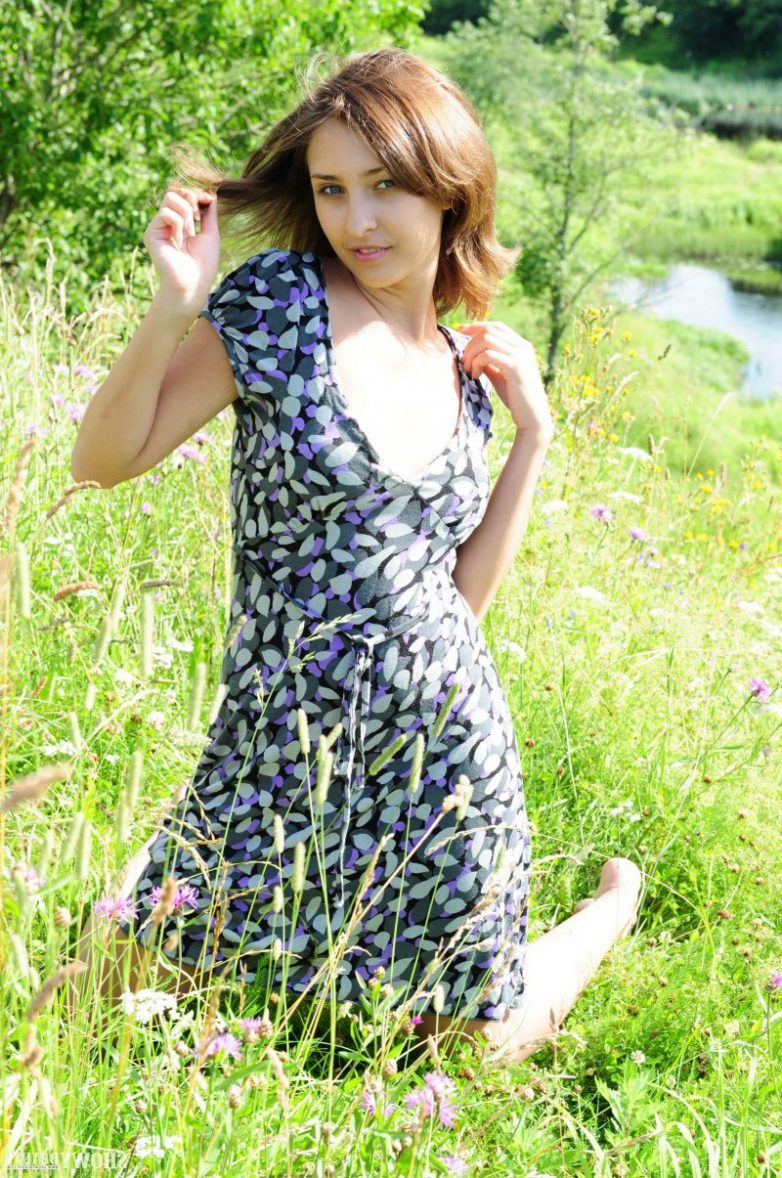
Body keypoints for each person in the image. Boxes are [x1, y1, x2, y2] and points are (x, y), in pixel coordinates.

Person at [70, 47, 642, 1067]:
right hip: (276, 748)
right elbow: (103, 461)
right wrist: (172, 306)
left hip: (437, 759)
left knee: (469, 1051)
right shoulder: (278, 307)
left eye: (385, 186)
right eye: (331, 189)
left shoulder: (463, 374)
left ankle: (610, 908)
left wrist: (533, 438)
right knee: (101, 1001)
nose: (357, 220)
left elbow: (457, 607)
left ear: (448, 188)